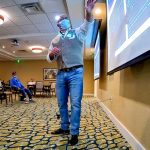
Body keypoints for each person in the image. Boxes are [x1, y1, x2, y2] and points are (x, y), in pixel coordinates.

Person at [47, 0, 96, 145]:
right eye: (62, 20)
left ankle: (74, 133)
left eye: (66, 19)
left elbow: (88, 24)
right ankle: (64, 127)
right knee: (61, 103)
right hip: (61, 74)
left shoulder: (77, 33)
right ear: (58, 25)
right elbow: (49, 57)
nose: (65, 21)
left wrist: (88, 11)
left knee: (75, 103)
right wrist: (51, 54)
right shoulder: (54, 40)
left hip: (76, 73)